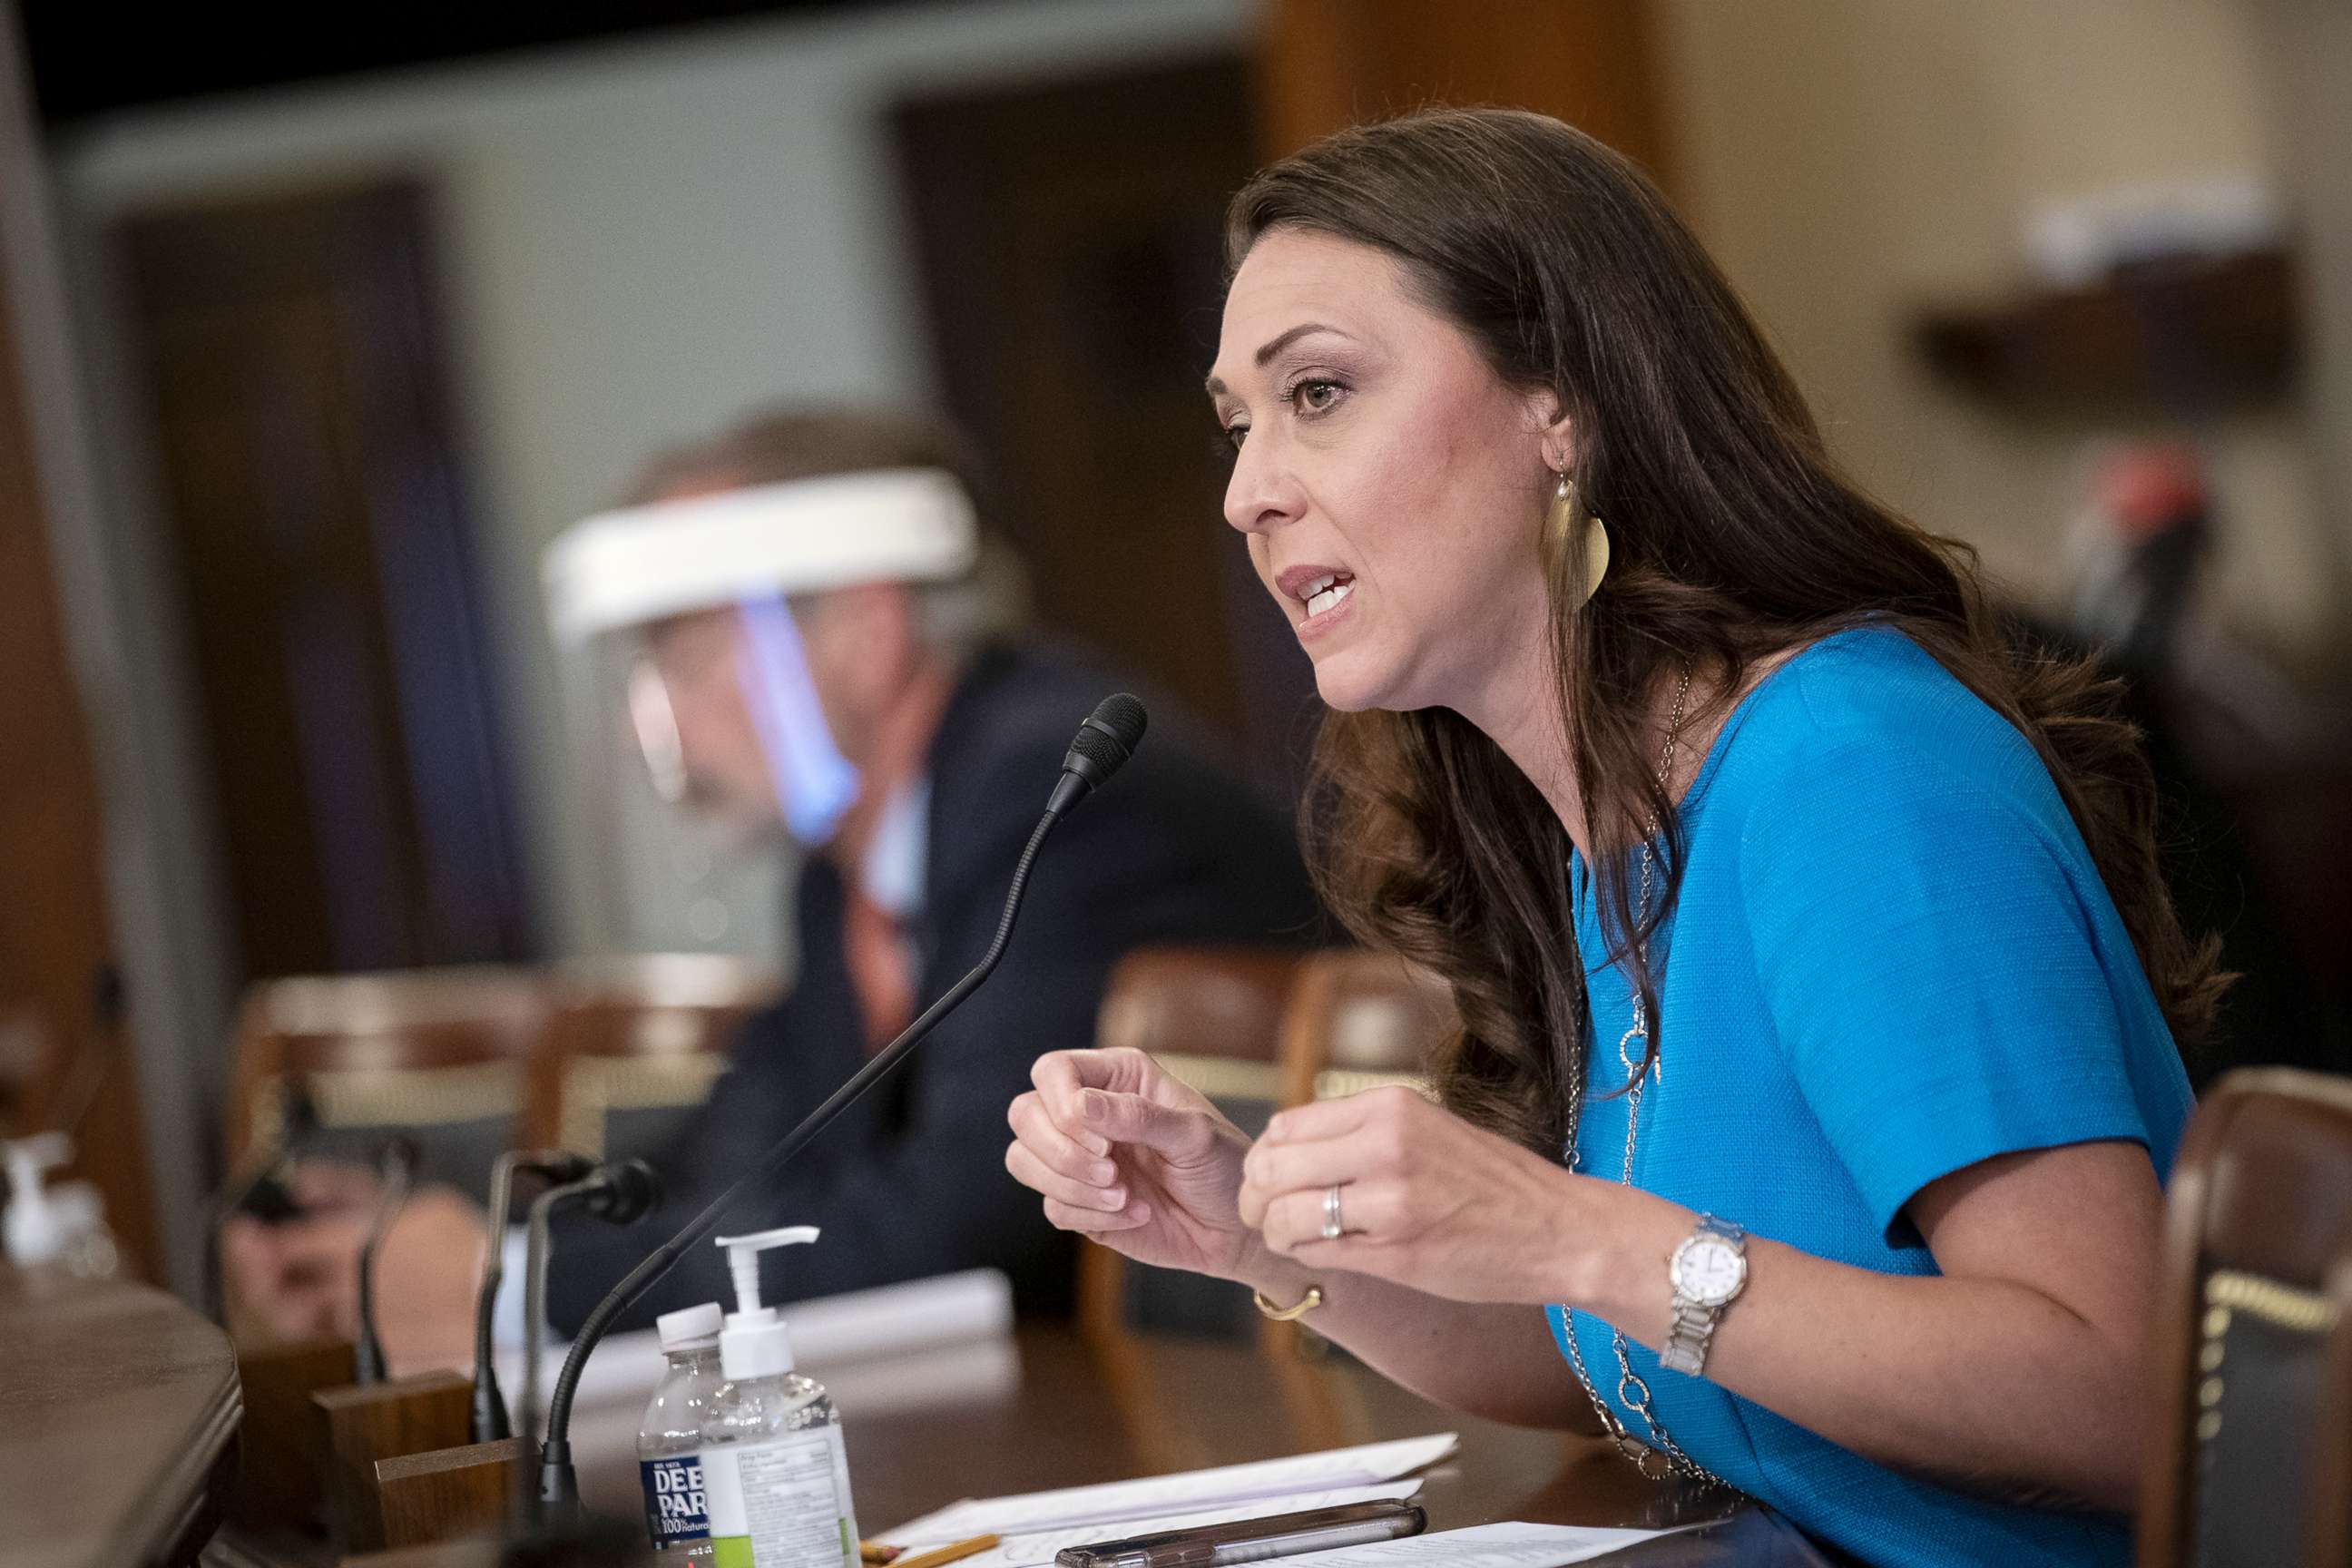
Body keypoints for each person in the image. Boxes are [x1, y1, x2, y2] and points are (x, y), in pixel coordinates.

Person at [1004, 109, 2217, 1568]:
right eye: (1238, 423)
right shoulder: (1604, 825)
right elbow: (1640, 1351)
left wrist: (1577, 1230)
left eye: (1316, 392)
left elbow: (2117, 1391)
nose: (1245, 490)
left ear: (1561, 407)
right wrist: (1258, 1236)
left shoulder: (1850, 773)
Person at [226, 407, 1320, 1360]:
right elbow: (747, 1158)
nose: (652, 719)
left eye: (686, 655)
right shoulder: (844, 864)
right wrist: (461, 1235)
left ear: (865, 633)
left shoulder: (1058, 798)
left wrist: (508, 1288)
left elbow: (963, 1223)